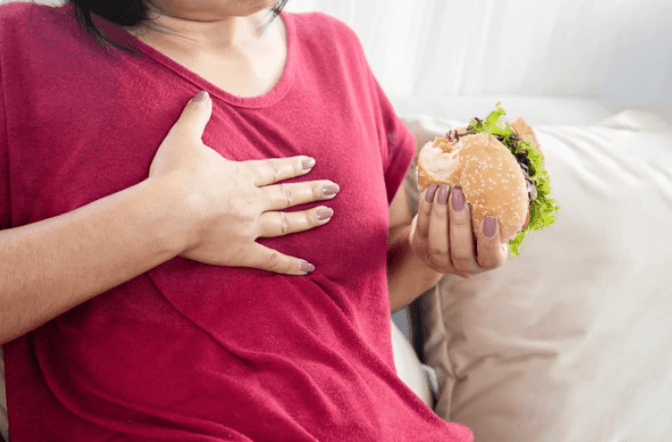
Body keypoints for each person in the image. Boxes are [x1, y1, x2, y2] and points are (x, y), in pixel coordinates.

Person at [0, 0, 508, 440]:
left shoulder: (337, 50)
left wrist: (433, 251)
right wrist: (166, 218)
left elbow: (358, 298)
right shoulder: (16, 47)